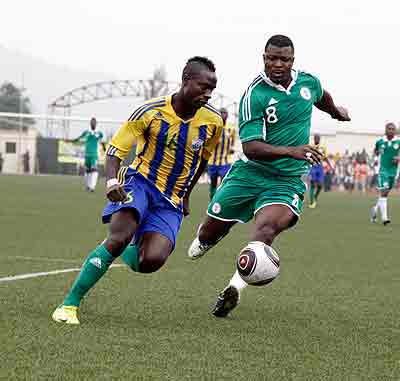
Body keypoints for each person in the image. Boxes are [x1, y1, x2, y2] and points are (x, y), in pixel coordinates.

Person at [188, 35, 350, 317]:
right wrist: (292, 150)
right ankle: (210, 236)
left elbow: (321, 96)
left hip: (286, 180)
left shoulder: (307, 82)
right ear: (263, 57)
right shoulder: (255, 95)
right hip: (249, 173)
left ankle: (234, 288)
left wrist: (336, 112)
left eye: (283, 59)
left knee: (266, 229)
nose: (277, 64)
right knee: (207, 234)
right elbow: (251, 148)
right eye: (271, 58)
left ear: (292, 60)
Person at [52, 56, 223, 325]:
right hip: (139, 182)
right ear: (186, 81)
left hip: (171, 198)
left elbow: (203, 159)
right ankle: (69, 305)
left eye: (212, 89)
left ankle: (136, 241)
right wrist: (111, 182)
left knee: (151, 261)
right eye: (203, 87)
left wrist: (187, 193)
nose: (208, 94)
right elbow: (115, 150)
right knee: (118, 237)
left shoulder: (213, 121)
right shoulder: (150, 111)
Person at [370, 122, 400, 225]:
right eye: (389, 129)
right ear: (385, 130)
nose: (391, 130)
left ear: (395, 131)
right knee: (384, 191)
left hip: (394, 171)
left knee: (385, 193)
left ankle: (374, 209)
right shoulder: (380, 142)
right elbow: (375, 151)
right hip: (382, 170)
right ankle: (385, 218)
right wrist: (374, 159)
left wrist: (398, 158)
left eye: (393, 129)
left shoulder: (398, 141)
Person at [207, 107, 236, 199]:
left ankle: (222, 200)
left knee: (225, 181)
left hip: (225, 161)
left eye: (225, 113)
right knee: (213, 183)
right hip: (212, 161)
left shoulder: (231, 128)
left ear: (227, 115)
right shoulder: (213, 126)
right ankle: (212, 200)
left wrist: (231, 148)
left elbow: (232, 143)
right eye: (221, 113)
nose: (223, 115)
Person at [70, 117, 104, 192]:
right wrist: (71, 141)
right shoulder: (86, 132)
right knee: (87, 171)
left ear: (96, 124)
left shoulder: (99, 133)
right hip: (87, 154)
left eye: (94, 122)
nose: (93, 124)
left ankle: (92, 187)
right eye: (92, 122)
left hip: (94, 154)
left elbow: (101, 140)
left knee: (94, 170)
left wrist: (104, 149)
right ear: (90, 123)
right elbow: (78, 138)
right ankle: (88, 186)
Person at [308, 134, 329, 208]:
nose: (317, 139)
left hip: (320, 167)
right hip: (313, 166)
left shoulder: (323, 147)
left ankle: (315, 196)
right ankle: (311, 202)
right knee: (312, 183)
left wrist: (330, 166)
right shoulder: (310, 146)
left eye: (318, 138)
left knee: (320, 185)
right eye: (315, 138)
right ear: (314, 139)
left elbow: (325, 157)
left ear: (320, 139)